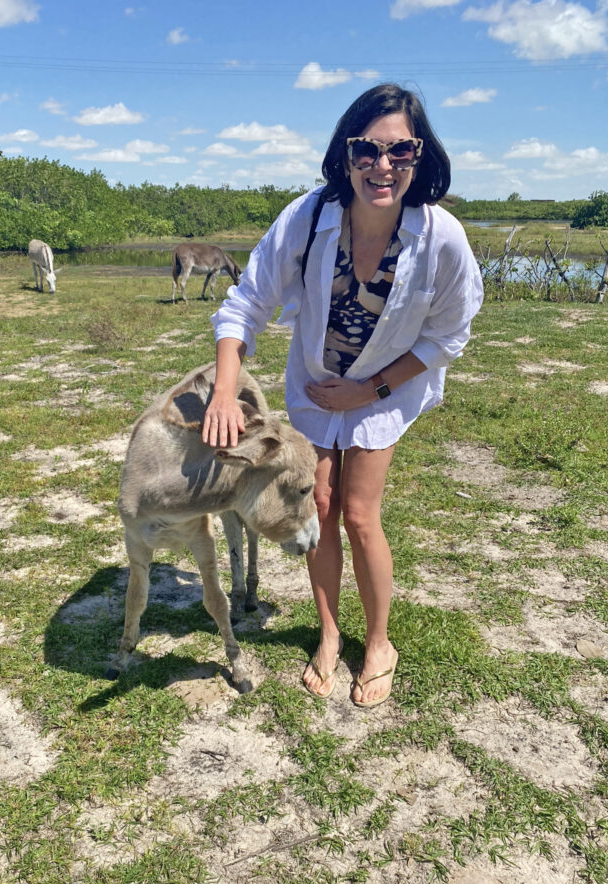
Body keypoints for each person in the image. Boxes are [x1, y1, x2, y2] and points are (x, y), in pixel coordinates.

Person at [202, 82, 483, 708]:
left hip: (385, 389)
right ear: (346, 154)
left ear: (420, 157)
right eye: (367, 150)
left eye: (400, 151)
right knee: (318, 505)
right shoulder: (307, 218)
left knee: (358, 513)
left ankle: (379, 642)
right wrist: (225, 390)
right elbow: (244, 303)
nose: (382, 166)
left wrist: (372, 387)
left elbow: (448, 335)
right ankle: (330, 633)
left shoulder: (442, 238)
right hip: (316, 386)